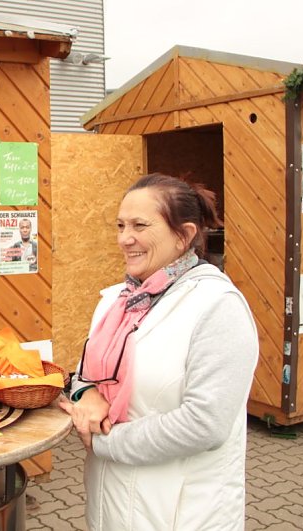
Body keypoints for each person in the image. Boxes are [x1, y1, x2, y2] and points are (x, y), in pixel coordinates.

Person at [59, 173, 259, 530]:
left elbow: (204, 424)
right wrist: (85, 394)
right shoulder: (115, 302)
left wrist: (107, 442)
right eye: (120, 225)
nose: (124, 239)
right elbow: (83, 374)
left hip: (181, 512)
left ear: (184, 236)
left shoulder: (217, 307)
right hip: (112, 504)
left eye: (139, 225)